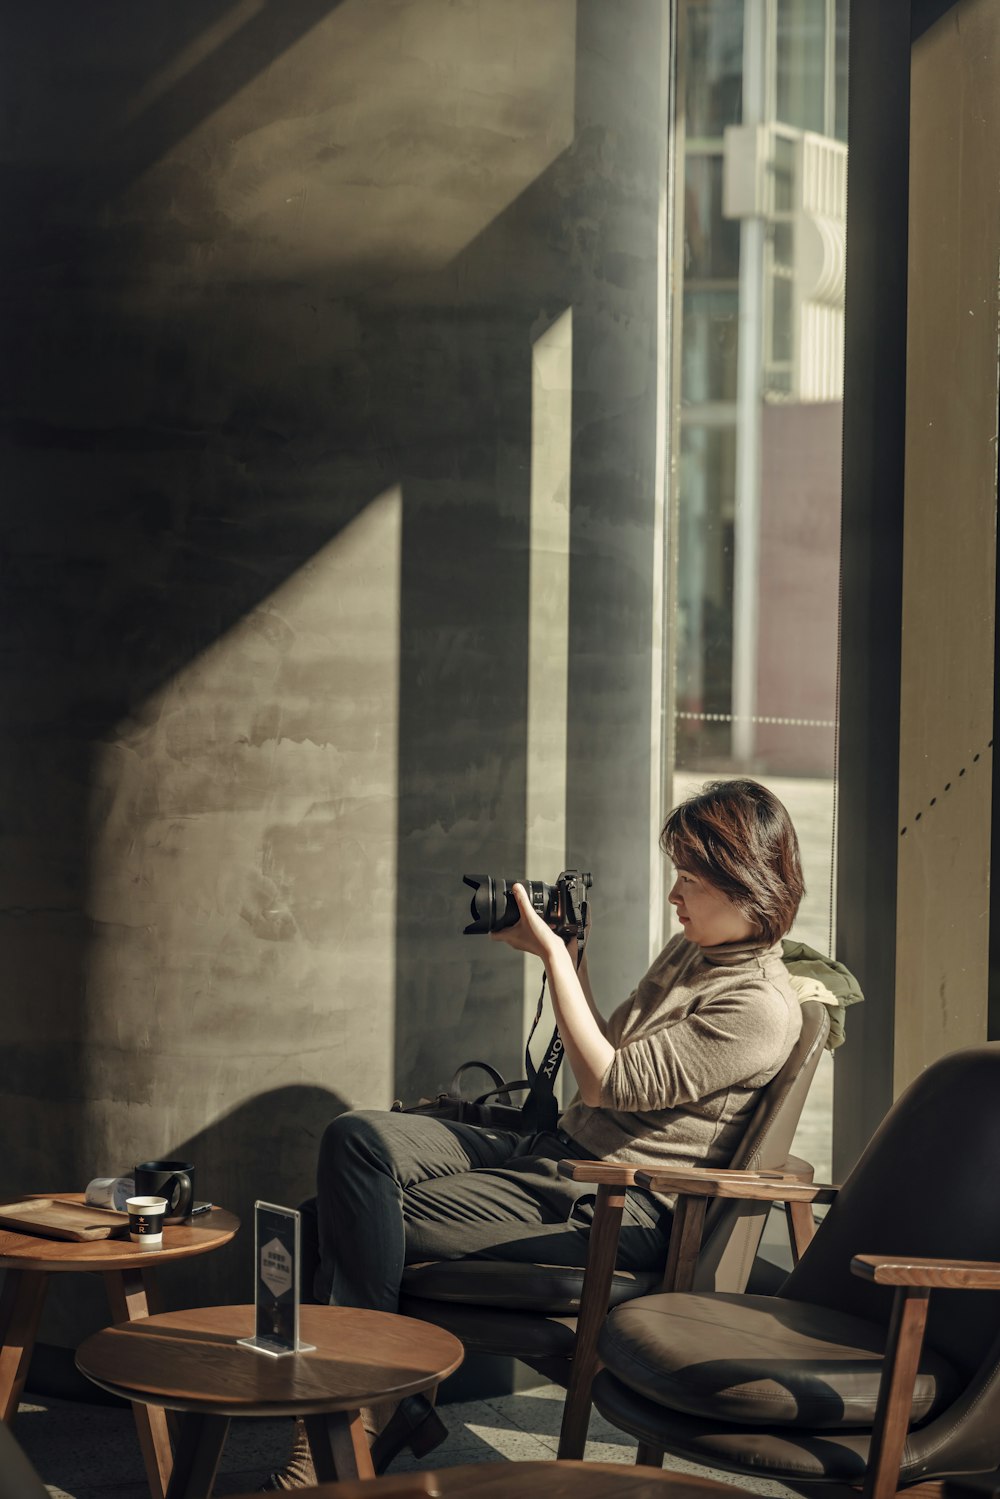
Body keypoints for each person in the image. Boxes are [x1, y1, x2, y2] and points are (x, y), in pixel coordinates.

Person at [264, 778, 805, 1489]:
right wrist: (568, 956)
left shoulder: (760, 1006)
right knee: (355, 1138)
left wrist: (553, 959)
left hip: (614, 1201)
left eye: (690, 878)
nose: (675, 894)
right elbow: (611, 1049)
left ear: (747, 884)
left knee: (329, 1220)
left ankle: (351, 1423)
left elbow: (612, 1083)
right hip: (556, 1153)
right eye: (677, 873)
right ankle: (379, 1406)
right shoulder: (691, 951)